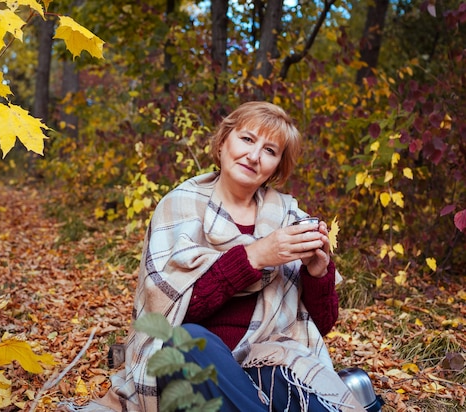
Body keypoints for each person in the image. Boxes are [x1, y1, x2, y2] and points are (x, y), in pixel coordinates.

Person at [73, 102, 365, 412]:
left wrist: (318, 273)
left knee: (308, 388)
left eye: (270, 150)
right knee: (188, 340)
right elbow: (170, 314)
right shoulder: (180, 208)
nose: (254, 156)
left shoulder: (289, 220)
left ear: (277, 167)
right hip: (192, 368)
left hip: (265, 363)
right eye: (247, 139)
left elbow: (321, 324)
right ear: (224, 141)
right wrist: (255, 256)